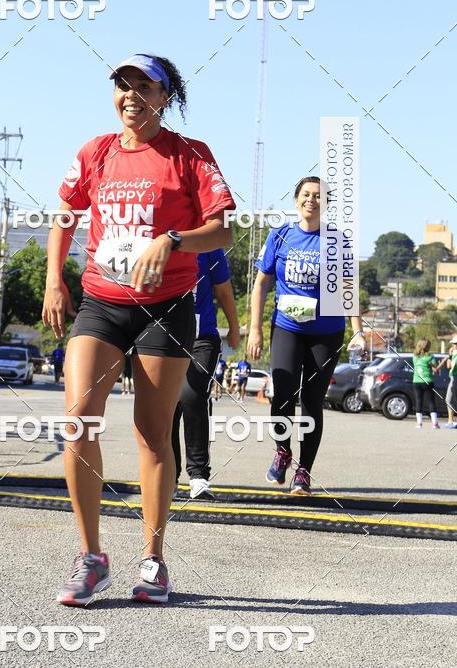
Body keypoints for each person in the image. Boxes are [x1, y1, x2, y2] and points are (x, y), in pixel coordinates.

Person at [42, 53, 234, 606]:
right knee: (78, 422)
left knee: (153, 433)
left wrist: (172, 239)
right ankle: (91, 559)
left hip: (167, 307)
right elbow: (63, 216)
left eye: (143, 87)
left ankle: (153, 560)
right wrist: (56, 280)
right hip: (101, 304)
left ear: (164, 96)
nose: (131, 95)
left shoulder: (189, 156)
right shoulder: (95, 151)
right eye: (122, 85)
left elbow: (219, 231)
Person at [247, 176, 365, 495]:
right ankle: (282, 450)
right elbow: (261, 284)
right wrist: (255, 328)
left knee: (312, 402)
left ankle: (304, 472)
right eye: (306, 194)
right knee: (282, 394)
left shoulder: (337, 240)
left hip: (326, 333)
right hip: (287, 327)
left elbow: (347, 289)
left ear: (325, 203)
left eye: (318, 195)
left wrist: (359, 332)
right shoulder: (280, 236)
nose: (312, 199)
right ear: (296, 199)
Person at [171, 249, 240, 500]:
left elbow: (223, 290)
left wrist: (234, 327)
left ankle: (198, 475)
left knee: (191, 394)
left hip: (202, 338)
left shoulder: (210, 246)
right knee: (166, 404)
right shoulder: (155, 235)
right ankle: (169, 475)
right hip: (164, 336)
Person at [412, 339, 440, 429]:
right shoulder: (430, 357)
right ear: (428, 347)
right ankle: (435, 423)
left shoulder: (415, 357)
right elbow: (435, 369)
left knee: (419, 401)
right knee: (431, 401)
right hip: (428, 381)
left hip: (416, 381)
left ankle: (419, 423)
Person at [441, 343, 457, 428]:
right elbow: (448, 366)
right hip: (452, 377)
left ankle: (451, 421)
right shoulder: (453, 354)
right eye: (453, 344)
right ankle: (450, 421)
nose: (453, 346)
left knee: (449, 399)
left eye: (455, 344)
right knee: (449, 400)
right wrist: (450, 355)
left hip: (455, 377)